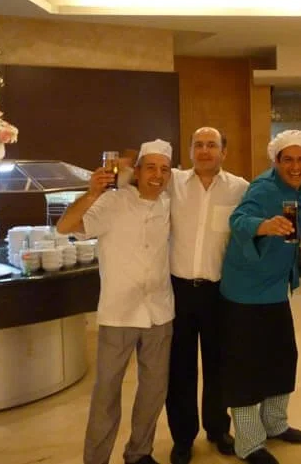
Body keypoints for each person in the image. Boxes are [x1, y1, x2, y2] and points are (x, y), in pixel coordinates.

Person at [57, 139, 175, 464]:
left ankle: (139, 453)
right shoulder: (112, 203)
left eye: (164, 169)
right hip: (118, 313)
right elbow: (64, 226)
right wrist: (93, 191)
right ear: (137, 172)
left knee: (153, 391)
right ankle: (96, 459)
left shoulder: (169, 203)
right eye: (150, 167)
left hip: (160, 311)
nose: (158, 174)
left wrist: (125, 164)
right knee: (106, 393)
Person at [218, 129, 301, 464]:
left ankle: (275, 424)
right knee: (246, 368)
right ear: (275, 161)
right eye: (286, 160)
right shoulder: (263, 188)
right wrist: (263, 226)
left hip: (276, 288)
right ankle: (248, 443)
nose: (294, 166)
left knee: (281, 358)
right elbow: (239, 218)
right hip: (246, 292)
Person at [165, 127, 249, 464]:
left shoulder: (240, 188)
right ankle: (183, 438)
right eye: (198, 145)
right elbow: (130, 174)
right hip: (178, 290)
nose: (204, 150)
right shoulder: (171, 182)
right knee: (180, 368)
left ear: (223, 152)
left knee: (219, 365)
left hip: (219, 291)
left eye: (212, 145)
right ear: (189, 150)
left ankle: (217, 428)